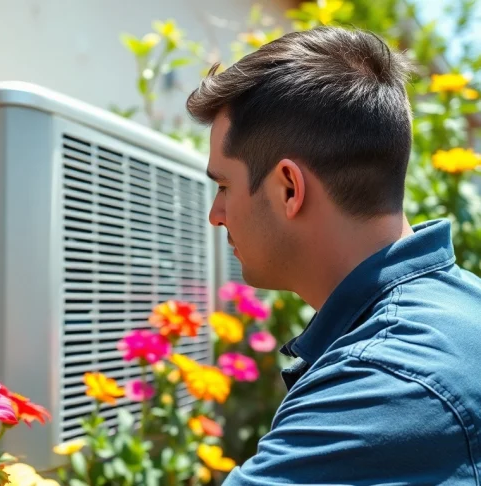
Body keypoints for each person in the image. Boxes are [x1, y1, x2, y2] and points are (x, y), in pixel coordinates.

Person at [188, 26, 481, 485]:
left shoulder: (384, 380)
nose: (215, 214)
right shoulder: (463, 307)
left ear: (289, 188)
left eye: (224, 185)